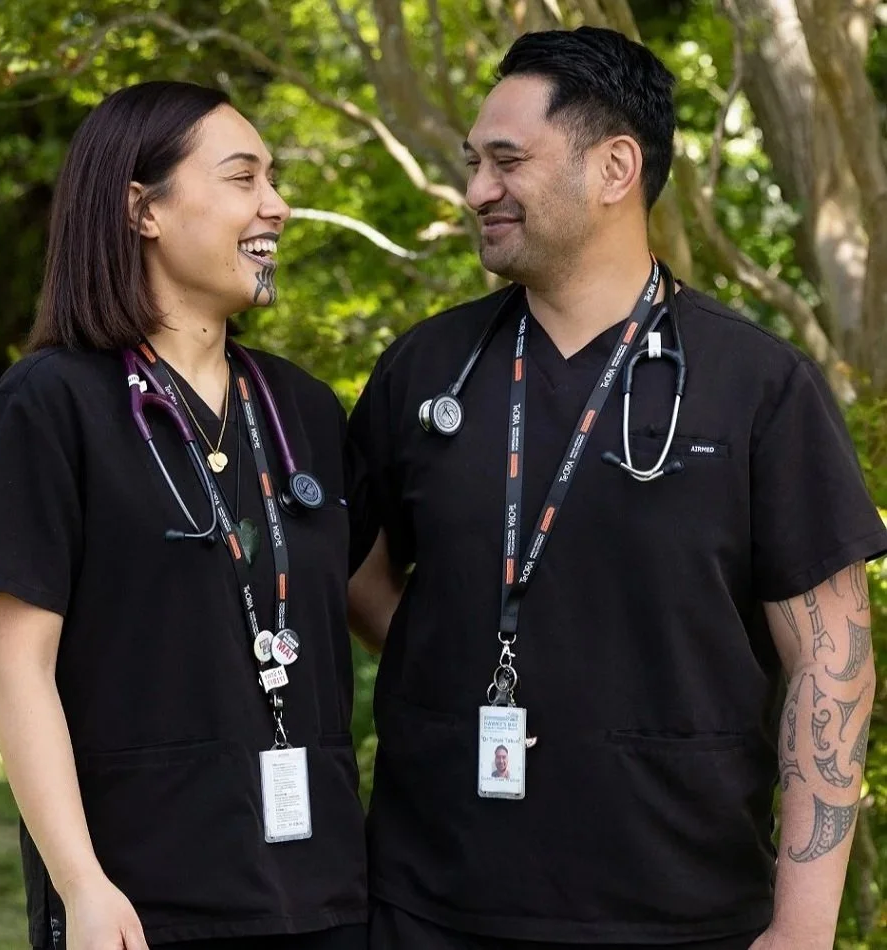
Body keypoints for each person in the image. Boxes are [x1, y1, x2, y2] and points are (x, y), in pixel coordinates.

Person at [348, 27, 887, 950]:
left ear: (615, 167)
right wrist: (466, 657)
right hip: (426, 907)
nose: (477, 189)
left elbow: (832, 667)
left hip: (685, 916)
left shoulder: (756, 385)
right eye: (473, 162)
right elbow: (352, 573)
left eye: (506, 161)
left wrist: (801, 932)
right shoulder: (426, 370)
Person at [0, 81, 367, 950]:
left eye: (274, 178)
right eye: (243, 178)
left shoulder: (306, 411)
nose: (277, 204)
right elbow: (16, 673)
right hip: (142, 908)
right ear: (143, 209)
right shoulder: (49, 404)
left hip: (327, 897)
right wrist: (82, 885)